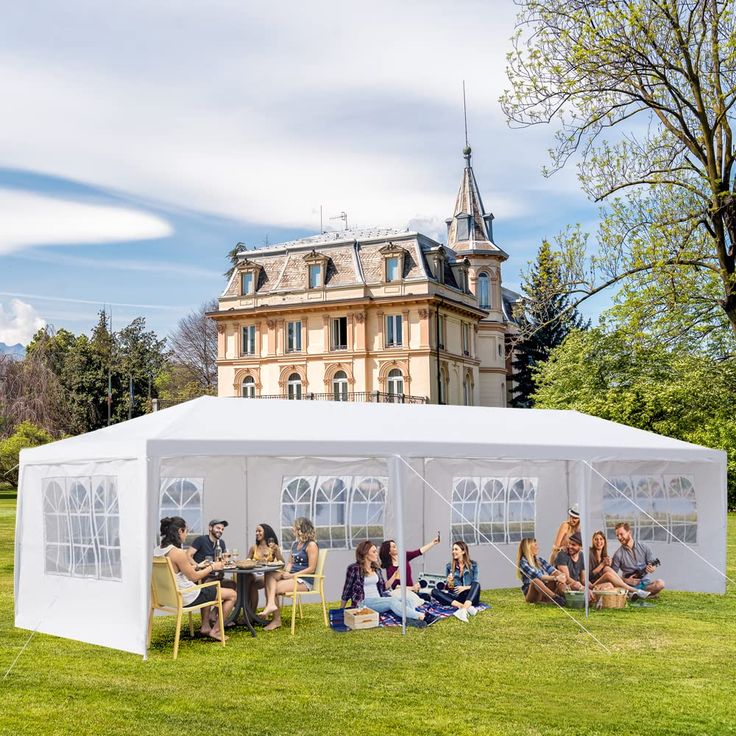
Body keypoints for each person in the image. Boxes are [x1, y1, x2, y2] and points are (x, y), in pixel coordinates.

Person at [154, 516, 236, 641]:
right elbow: (193, 577)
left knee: (212, 585)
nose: (187, 535)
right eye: (186, 531)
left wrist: (198, 566)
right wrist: (212, 567)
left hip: (168, 597)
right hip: (188, 596)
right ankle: (216, 630)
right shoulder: (178, 553)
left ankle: (206, 626)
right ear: (180, 531)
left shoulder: (158, 551)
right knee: (232, 594)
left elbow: (181, 571)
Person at [340, 541, 436, 626]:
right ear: (365, 554)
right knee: (391, 602)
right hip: (365, 602)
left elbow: (384, 587)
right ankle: (422, 617)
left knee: (407, 599)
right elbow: (347, 590)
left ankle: (410, 620)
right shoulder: (354, 569)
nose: (376, 554)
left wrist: (394, 575)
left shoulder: (376, 569)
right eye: (374, 552)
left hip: (379, 599)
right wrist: (341, 610)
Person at [260, 517, 319, 631]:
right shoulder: (295, 544)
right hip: (292, 575)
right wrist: (286, 572)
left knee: (273, 588)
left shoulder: (311, 545)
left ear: (301, 529)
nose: (292, 529)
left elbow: (312, 568)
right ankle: (272, 605)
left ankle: (276, 620)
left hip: (304, 580)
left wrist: (292, 576)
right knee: (269, 574)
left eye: (294, 527)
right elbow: (290, 563)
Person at [378, 533, 440, 604]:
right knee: (424, 598)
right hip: (403, 592)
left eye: (396, 546)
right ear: (389, 551)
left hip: (412, 590)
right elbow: (395, 586)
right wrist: (412, 588)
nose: (397, 547)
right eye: (394, 547)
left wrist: (433, 543)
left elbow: (419, 552)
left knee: (426, 597)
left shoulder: (404, 556)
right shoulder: (390, 567)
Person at [589, 529, 650, 599]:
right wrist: (602, 565)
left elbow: (611, 576)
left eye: (601, 539)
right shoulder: (589, 553)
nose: (599, 541)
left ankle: (629, 594)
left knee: (609, 575)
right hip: (592, 584)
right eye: (596, 539)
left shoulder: (604, 557)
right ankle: (635, 591)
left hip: (601, 584)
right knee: (607, 573)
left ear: (604, 541)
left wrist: (608, 565)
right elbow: (589, 575)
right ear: (593, 541)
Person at [431, 541, 481, 622]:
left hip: (470, 596)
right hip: (457, 598)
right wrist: (450, 583)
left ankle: (464, 608)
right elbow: (450, 588)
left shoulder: (474, 565)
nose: (453, 551)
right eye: (453, 549)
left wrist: (464, 588)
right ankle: (464, 608)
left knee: (477, 584)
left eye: (456, 549)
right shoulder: (449, 566)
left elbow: (475, 583)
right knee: (434, 591)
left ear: (463, 551)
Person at [611, 522, 665, 597]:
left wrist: (652, 568)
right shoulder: (618, 554)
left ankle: (637, 594)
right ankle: (644, 594)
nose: (619, 537)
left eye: (621, 534)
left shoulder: (644, 547)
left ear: (629, 532)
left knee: (660, 583)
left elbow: (653, 563)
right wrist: (626, 580)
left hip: (646, 584)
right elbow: (612, 575)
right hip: (629, 586)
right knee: (618, 588)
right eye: (617, 535)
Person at [516, 537, 567, 606]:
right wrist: (556, 578)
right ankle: (556, 599)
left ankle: (568, 594)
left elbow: (553, 570)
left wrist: (562, 576)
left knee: (556, 574)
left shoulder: (539, 560)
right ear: (528, 548)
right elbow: (539, 576)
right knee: (536, 581)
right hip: (531, 594)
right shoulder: (523, 562)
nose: (538, 547)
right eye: (535, 545)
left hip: (543, 591)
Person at [187, 519, 236, 589]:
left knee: (232, 584)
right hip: (201, 578)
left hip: (214, 576)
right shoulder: (201, 540)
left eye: (222, 529)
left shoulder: (221, 543)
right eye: (218, 528)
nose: (220, 531)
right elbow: (188, 555)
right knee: (228, 586)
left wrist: (225, 563)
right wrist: (197, 566)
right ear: (210, 528)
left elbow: (224, 561)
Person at [246, 522, 284, 611]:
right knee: (246, 579)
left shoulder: (273, 547)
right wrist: (252, 562)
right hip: (254, 574)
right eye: (256, 531)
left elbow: (282, 563)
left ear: (266, 532)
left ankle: (251, 613)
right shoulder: (253, 548)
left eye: (259, 531)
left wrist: (277, 551)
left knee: (253, 585)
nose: (257, 533)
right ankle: (248, 611)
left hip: (267, 574)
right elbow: (246, 562)